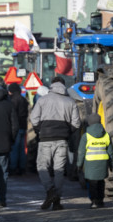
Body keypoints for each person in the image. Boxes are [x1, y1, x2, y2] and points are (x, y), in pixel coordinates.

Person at [29, 76, 81, 210]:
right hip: (62, 140)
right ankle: (56, 201)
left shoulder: (42, 100)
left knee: (42, 166)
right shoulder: (70, 101)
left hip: (45, 139)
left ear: (52, 85)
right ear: (64, 85)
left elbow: (34, 119)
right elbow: (76, 123)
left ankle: (50, 191)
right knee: (59, 170)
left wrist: (40, 130)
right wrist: (67, 132)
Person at [77, 112, 113, 208]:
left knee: (92, 183)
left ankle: (94, 201)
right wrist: (111, 165)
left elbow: (81, 152)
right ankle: (100, 201)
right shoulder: (106, 135)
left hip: (90, 164)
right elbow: (110, 152)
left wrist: (79, 165)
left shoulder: (86, 136)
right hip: (102, 163)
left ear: (89, 123)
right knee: (101, 182)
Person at [7, 82, 29, 175]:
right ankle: (22, 167)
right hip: (23, 126)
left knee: (14, 148)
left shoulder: (13, 100)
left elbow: (12, 115)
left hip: (16, 127)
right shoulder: (23, 100)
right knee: (22, 148)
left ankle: (13, 167)